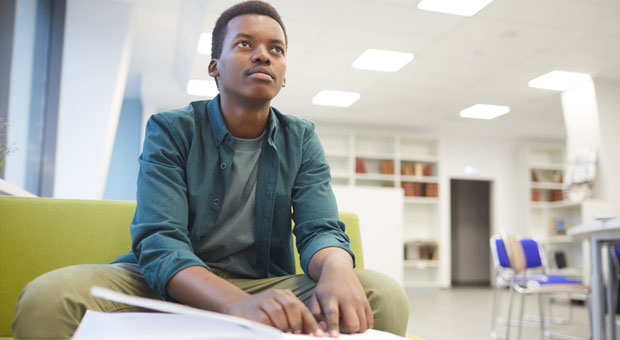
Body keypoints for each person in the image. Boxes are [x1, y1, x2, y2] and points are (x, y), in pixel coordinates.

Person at [12, 1, 409, 338]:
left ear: (284, 75)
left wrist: (338, 269)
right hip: (169, 283)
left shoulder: (301, 138)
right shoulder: (171, 128)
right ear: (214, 67)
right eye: (244, 44)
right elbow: (159, 242)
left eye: (276, 49)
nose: (263, 55)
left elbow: (318, 227)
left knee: (381, 293)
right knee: (50, 297)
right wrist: (236, 304)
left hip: (263, 284)